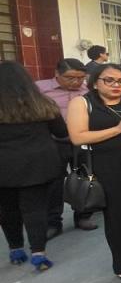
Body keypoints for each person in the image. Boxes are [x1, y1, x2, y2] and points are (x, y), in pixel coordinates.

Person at [67, 63, 121, 280]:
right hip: (106, 165)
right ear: (96, 82)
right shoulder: (82, 103)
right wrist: (119, 129)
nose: (116, 85)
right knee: (118, 213)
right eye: (109, 80)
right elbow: (78, 137)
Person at [0, 61, 67, 271]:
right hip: (38, 164)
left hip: (3, 166)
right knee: (35, 209)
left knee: (6, 209)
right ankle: (38, 253)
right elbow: (60, 132)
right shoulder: (44, 103)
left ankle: (16, 249)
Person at [35, 58, 96, 236]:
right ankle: (53, 222)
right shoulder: (40, 89)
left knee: (86, 177)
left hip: (83, 140)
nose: (76, 82)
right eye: (70, 77)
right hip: (53, 142)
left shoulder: (88, 90)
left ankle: (83, 215)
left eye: (80, 78)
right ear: (57, 74)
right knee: (53, 182)